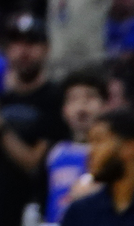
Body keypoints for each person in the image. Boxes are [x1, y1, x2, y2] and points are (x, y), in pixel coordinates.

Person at [0, 13, 65, 226]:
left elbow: (34, 164)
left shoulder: (56, 99)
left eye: (32, 43)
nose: (23, 51)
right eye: (17, 43)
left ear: (46, 49)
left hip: (32, 211)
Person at [60, 109, 134, 225]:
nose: (90, 151)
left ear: (130, 147)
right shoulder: (80, 212)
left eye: (98, 141)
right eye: (89, 142)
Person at [45, 68, 108, 223]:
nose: (81, 106)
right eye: (73, 99)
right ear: (63, 110)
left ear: (105, 105)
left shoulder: (111, 153)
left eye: (90, 97)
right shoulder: (55, 153)